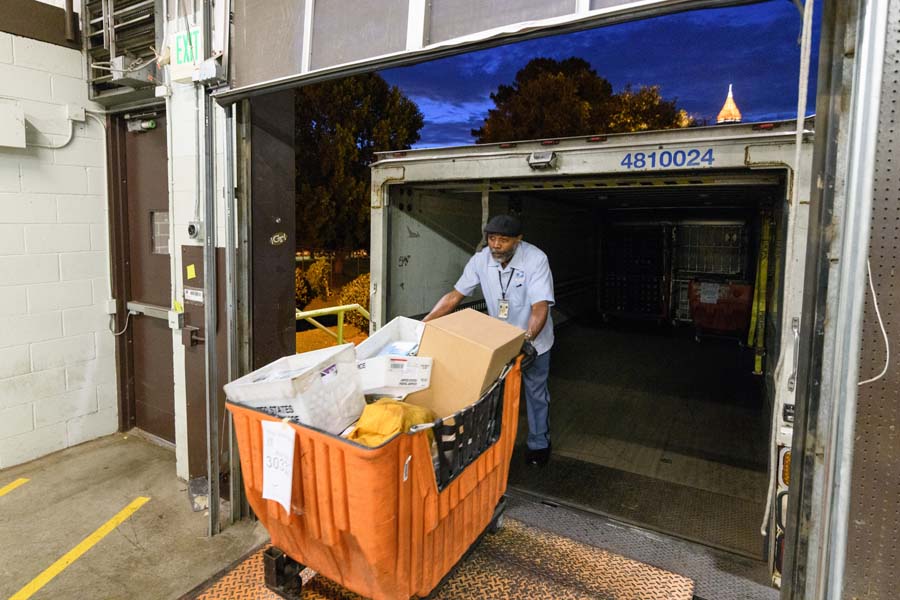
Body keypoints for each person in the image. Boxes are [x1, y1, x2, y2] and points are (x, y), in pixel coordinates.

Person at [423, 214, 555, 467]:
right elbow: (454, 296)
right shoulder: (481, 260)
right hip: (501, 341)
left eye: (503, 240)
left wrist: (527, 341)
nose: (496, 245)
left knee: (535, 393)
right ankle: (489, 439)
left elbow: (540, 307)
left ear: (518, 240)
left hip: (534, 341)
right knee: (491, 393)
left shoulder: (536, 260)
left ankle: (539, 444)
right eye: (492, 238)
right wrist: (422, 324)